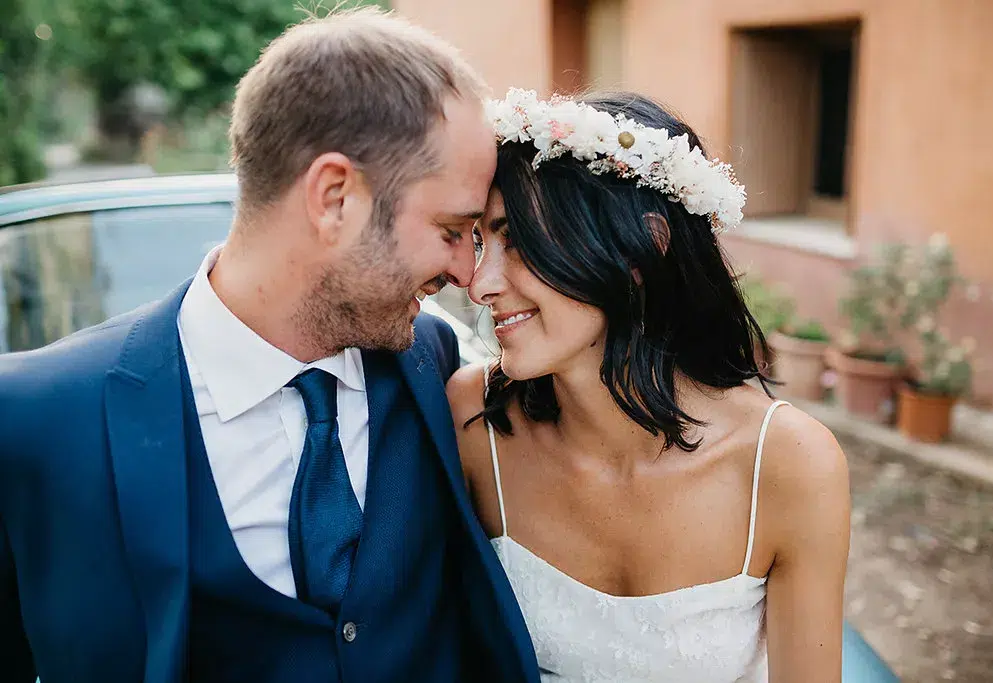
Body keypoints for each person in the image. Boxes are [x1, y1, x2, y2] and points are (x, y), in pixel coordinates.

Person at [0, 10, 539, 683]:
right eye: (452, 228)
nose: (466, 273)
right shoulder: (33, 419)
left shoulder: (435, 363)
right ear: (334, 196)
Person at [447, 89, 851, 682]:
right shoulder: (475, 419)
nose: (478, 284)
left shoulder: (789, 464)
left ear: (644, 250)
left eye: (518, 239)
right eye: (481, 241)